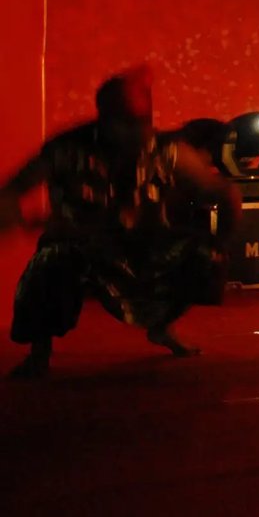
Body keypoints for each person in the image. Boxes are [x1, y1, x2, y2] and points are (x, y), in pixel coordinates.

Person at [1, 67, 243, 378]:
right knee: (50, 263)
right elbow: (12, 190)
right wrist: (24, 219)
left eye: (141, 122)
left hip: (145, 245)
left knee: (203, 256)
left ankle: (161, 327)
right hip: (83, 245)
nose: (135, 132)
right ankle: (39, 352)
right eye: (125, 123)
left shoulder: (167, 150)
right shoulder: (66, 148)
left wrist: (220, 241)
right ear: (105, 117)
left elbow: (224, 192)